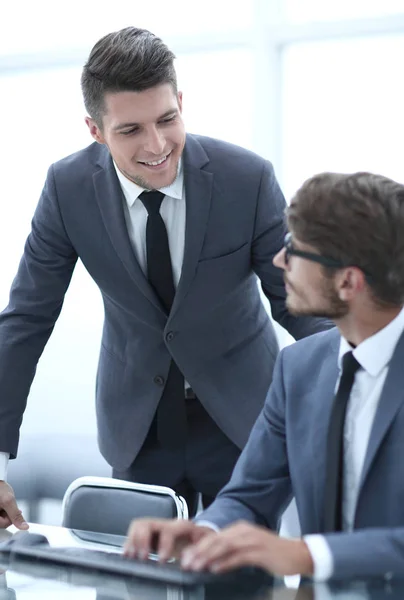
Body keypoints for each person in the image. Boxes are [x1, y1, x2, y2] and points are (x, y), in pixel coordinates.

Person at [0, 26, 329, 529]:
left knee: (240, 584)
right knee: (132, 582)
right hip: (138, 429)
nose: (156, 146)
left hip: (241, 424)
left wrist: (364, 388)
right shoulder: (67, 190)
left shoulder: (247, 179)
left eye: (167, 119)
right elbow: (26, 320)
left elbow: (298, 305)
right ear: (95, 129)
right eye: (130, 130)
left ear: (180, 101)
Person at [125, 171, 404, 581]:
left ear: (348, 281)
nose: (278, 261)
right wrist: (205, 533)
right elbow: (250, 497)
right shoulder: (299, 367)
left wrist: (307, 556)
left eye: (294, 250)